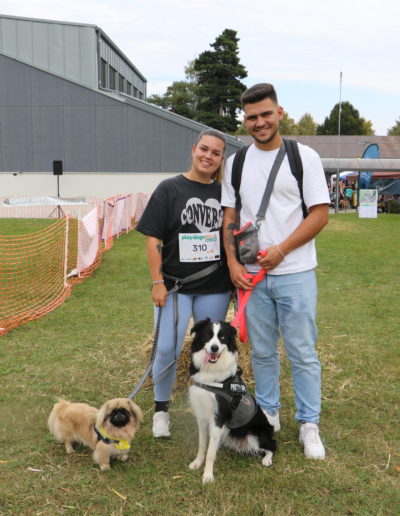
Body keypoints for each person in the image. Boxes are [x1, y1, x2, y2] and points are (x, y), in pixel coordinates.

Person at [221, 83, 330, 460]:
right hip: (253, 278)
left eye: (266, 114)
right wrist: (233, 262)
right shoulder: (236, 163)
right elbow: (230, 217)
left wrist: (282, 250)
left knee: (302, 351)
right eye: (251, 117)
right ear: (245, 120)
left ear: (280, 113)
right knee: (263, 351)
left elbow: (320, 214)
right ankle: (268, 413)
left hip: (296, 273)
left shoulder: (304, 157)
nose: (260, 122)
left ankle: (309, 423)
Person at [136, 129, 232, 438]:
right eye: (204, 149)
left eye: (215, 153)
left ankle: (211, 408)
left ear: (221, 159)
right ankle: (161, 410)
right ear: (193, 149)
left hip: (214, 286)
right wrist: (157, 282)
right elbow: (153, 240)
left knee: (210, 351)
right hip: (174, 286)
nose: (208, 156)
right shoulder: (169, 188)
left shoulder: (225, 193)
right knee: (166, 349)